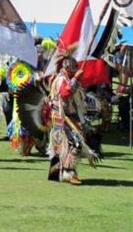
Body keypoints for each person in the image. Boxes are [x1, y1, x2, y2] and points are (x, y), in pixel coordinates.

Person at [47, 49, 101, 184]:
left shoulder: (64, 78)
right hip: (62, 117)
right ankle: (68, 173)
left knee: (61, 146)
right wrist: (76, 78)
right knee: (74, 143)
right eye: (74, 67)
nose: (76, 68)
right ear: (67, 66)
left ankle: (55, 174)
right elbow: (65, 95)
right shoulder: (61, 80)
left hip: (63, 116)